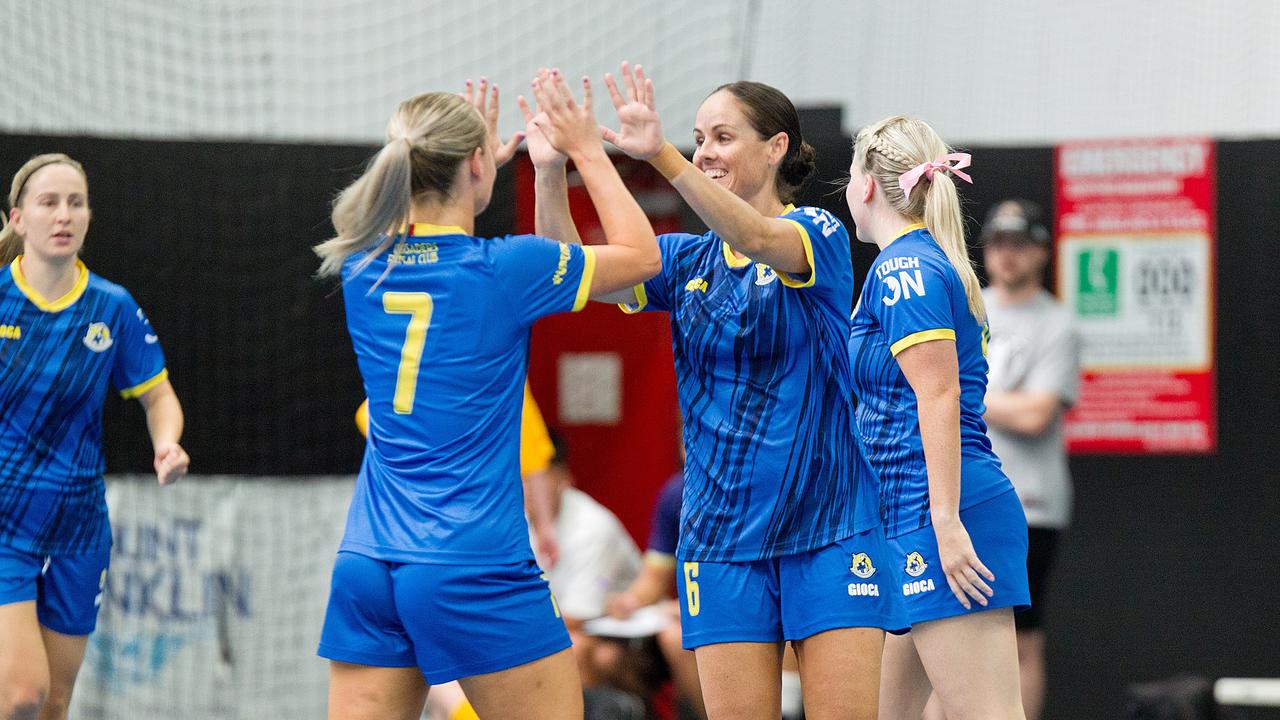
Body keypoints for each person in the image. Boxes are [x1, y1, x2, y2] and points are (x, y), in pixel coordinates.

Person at [532, 64, 902, 720]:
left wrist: (656, 156)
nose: (705, 151)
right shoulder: (684, 262)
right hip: (722, 543)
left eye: (723, 137)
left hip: (831, 531)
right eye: (698, 137)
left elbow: (755, 237)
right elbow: (573, 274)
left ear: (776, 146)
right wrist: (551, 171)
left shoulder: (817, 234)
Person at [312, 72, 659, 720]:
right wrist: (585, 151)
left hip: (369, 561)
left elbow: (550, 271)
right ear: (476, 163)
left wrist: (530, 174)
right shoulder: (502, 269)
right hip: (470, 558)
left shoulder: (363, 265)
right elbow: (640, 258)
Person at [843, 116, 1030, 720]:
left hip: (942, 515)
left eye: (849, 174)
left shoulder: (905, 269)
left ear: (868, 184)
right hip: (910, 516)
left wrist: (946, 521)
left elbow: (939, 394)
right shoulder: (910, 263)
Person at [0, 153, 190, 720]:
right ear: (18, 219)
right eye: (49, 202)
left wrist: (167, 442)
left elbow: (159, 398)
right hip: (5, 523)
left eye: (75, 203)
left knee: (55, 704)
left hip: (79, 528)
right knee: (21, 696)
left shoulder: (112, 306)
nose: (64, 215)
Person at [979, 199, 1079, 720]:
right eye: (998, 242)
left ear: (1041, 251)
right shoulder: (969, 306)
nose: (1007, 254)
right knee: (938, 632)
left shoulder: (1056, 324)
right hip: (961, 497)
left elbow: (1036, 414)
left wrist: (956, 392)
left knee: (1019, 637)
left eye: (1019, 243)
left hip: (1029, 504)